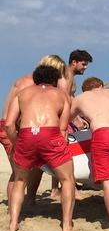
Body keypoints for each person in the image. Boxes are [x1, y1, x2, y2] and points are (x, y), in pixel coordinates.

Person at [5, 65, 75, 231]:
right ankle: (66, 226)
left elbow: (8, 124)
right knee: (67, 180)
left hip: (27, 134)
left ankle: (13, 223)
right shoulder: (62, 95)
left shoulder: (22, 94)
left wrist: (17, 142)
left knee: (20, 180)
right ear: (54, 80)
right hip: (50, 133)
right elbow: (63, 129)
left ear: (36, 79)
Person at [2, 55, 69, 204]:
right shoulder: (31, 84)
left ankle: (28, 201)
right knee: (17, 173)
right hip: (12, 127)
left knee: (29, 168)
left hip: (13, 125)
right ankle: (13, 209)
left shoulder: (27, 80)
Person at [70, 77, 109, 229]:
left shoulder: (80, 98)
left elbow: (66, 119)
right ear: (101, 85)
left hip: (104, 133)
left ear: (85, 89)